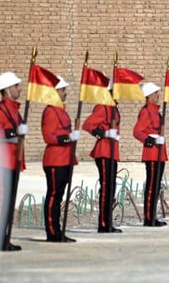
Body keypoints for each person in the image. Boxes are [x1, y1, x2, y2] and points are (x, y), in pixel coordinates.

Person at [0, 71, 28, 251]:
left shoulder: (13, 109)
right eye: (15, 86)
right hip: (2, 162)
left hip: (13, 161)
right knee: (2, 202)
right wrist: (15, 132)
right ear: (6, 90)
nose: (18, 89)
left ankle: (4, 239)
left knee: (9, 202)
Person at [41, 77, 78, 243]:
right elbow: (49, 136)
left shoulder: (61, 110)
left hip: (65, 158)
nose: (65, 93)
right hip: (55, 159)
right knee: (54, 196)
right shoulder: (50, 111)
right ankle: (52, 232)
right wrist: (67, 137)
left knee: (59, 197)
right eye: (63, 90)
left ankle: (58, 230)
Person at [82, 90, 122, 233]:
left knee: (111, 188)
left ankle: (108, 222)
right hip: (104, 151)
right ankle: (104, 224)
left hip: (113, 151)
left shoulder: (113, 107)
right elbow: (87, 125)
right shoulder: (103, 107)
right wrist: (104, 133)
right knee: (106, 188)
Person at [134, 81, 167, 227]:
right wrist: (150, 140)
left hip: (159, 152)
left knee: (156, 186)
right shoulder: (146, 111)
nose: (157, 95)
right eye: (155, 93)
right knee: (152, 186)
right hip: (152, 153)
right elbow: (137, 132)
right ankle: (149, 217)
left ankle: (152, 215)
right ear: (148, 96)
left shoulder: (156, 112)